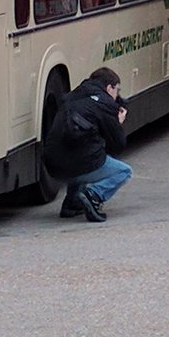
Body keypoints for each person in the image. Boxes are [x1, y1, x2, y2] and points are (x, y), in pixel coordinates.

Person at [43, 66, 132, 222]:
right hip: (78, 164)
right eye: (117, 90)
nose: (117, 96)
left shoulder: (72, 97)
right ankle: (94, 195)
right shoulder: (104, 103)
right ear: (109, 87)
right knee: (124, 172)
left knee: (82, 151)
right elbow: (118, 145)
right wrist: (117, 123)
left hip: (52, 166)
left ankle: (72, 202)